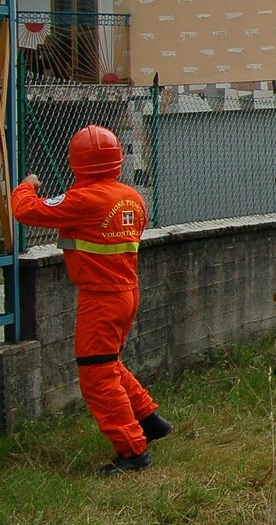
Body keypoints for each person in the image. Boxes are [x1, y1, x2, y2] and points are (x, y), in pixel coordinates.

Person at [10, 125, 171, 475]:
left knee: (96, 376)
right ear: (116, 159)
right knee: (108, 363)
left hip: (100, 298)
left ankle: (132, 451)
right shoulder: (132, 197)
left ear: (77, 161)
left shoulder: (82, 199)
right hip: (127, 291)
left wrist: (28, 184)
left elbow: (25, 211)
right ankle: (148, 418)